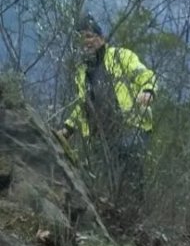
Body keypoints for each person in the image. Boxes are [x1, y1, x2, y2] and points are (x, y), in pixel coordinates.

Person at [61, 14, 156, 206]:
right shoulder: (82, 72)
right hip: (102, 135)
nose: (85, 41)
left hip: (131, 125)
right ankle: (117, 212)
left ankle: (133, 213)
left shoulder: (120, 57)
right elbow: (83, 105)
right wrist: (68, 128)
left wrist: (148, 90)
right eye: (81, 38)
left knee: (130, 172)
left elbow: (144, 74)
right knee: (109, 178)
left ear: (101, 38)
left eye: (89, 36)